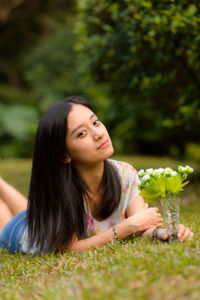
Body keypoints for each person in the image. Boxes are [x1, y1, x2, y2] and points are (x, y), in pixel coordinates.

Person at [0, 96, 194, 255]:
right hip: (18, 233)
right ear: (64, 154)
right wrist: (127, 228)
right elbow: (71, 249)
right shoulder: (60, 190)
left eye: (95, 122)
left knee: (32, 213)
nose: (98, 133)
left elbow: (140, 224)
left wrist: (163, 232)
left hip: (43, 218)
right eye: (82, 133)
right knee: (13, 219)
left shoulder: (125, 173)